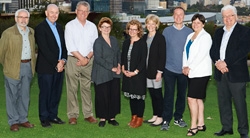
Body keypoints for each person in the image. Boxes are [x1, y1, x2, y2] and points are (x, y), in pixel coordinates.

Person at [210, 5, 250, 138]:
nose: (227, 18)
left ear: (236, 16)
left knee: (240, 103)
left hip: (237, 74)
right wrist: (218, 63)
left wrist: (225, 62)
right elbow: (213, 50)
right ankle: (227, 127)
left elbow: (242, 51)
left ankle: (243, 131)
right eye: (225, 16)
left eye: (230, 15)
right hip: (221, 73)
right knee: (223, 102)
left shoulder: (244, 31)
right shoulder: (219, 32)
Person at [0, 9, 36, 132]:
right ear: (16, 19)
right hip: (12, 68)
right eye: (21, 17)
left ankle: (23, 119)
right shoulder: (8, 33)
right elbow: (1, 53)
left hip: (28, 66)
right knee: (12, 96)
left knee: (24, 95)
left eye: (26, 17)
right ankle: (13, 121)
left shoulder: (31, 32)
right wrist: (7, 66)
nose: (23, 20)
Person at [65, 1, 98, 125]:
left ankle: (88, 114)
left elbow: (94, 45)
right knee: (72, 88)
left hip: (89, 60)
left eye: (86, 11)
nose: (83, 13)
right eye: (81, 10)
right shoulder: (70, 26)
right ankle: (72, 115)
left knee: (86, 88)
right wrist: (81, 59)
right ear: (76, 11)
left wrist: (87, 58)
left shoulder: (92, 26)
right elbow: (70, 45)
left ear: (88, 13)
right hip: (73, 60)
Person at [35, 4, 67, 128]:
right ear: (46, 13)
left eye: (56, 13)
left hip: (60, 67)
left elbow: (64, 46)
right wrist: (57, 63)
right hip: (46, 68)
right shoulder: (40, 28)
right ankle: (44, 118)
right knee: (45, 94)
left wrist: (63, 61)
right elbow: (44, 49)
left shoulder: (59, 27)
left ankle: (53, 115)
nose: (54, 15)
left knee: (56, 93)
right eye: (51, 12)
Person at [161, 7, 193, 130]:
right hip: (169, 68)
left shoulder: (190, 32)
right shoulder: (167, 31)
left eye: (181, 14)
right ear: (173, 16)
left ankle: (178, 118)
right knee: (168, 95)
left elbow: (192, 51)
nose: (178, 17)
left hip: (184, 70)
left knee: (181, 95)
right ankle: (166, 119)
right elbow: (163, 50)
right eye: (176, 14)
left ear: (184, 16)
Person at [182, 14, 212, 136]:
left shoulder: (206, 37)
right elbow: (185, 52)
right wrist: (184, 66)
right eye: (194, 22)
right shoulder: (190, 35)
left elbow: (201, 55)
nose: (195, 24)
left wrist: (190, 67)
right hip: (190, 72)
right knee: (198, 98)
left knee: (191, 99)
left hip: (201, 72)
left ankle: (193, 126)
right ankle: (201, 124)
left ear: (203, 24)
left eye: (198, 23)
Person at [91, 17, 121, 127]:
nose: (106, 29)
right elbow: (98, 58)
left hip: (114, 73)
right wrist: (111, 67)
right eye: (103, 27)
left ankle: (112, 118)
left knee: (113, 95)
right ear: (99, 28)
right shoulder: (98, 42)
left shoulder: (113, 40)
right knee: (102, 96)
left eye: (108, 27)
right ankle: (103, 118)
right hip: (101, 73)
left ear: (110, 28)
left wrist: (118, 66)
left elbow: (118, 53)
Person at [121, 19, 147, 128]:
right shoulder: (126, 42)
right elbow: (122, 56)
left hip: (138, 75)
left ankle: (139, 118)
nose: (132, 31)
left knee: (139, 98)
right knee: (132, 97)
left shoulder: (142, 43)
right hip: (127, 74)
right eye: (130, 29)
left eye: (134, 29)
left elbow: (143, 61)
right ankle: (133, 117)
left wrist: (135, 72)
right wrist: (123, 69)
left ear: (138, 31)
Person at [142, 14, 166, 126]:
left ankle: (160, 117)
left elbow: (162, 56)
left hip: (156, 72)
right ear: (146, 24)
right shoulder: (144, 37)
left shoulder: (160, 38)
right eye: (149, 23)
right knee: (152, 94)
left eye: (153, 23)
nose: (150, 26)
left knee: (157, 94)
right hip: (147, 71)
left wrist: (160, 72)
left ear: (157, 25)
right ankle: (155, 115)